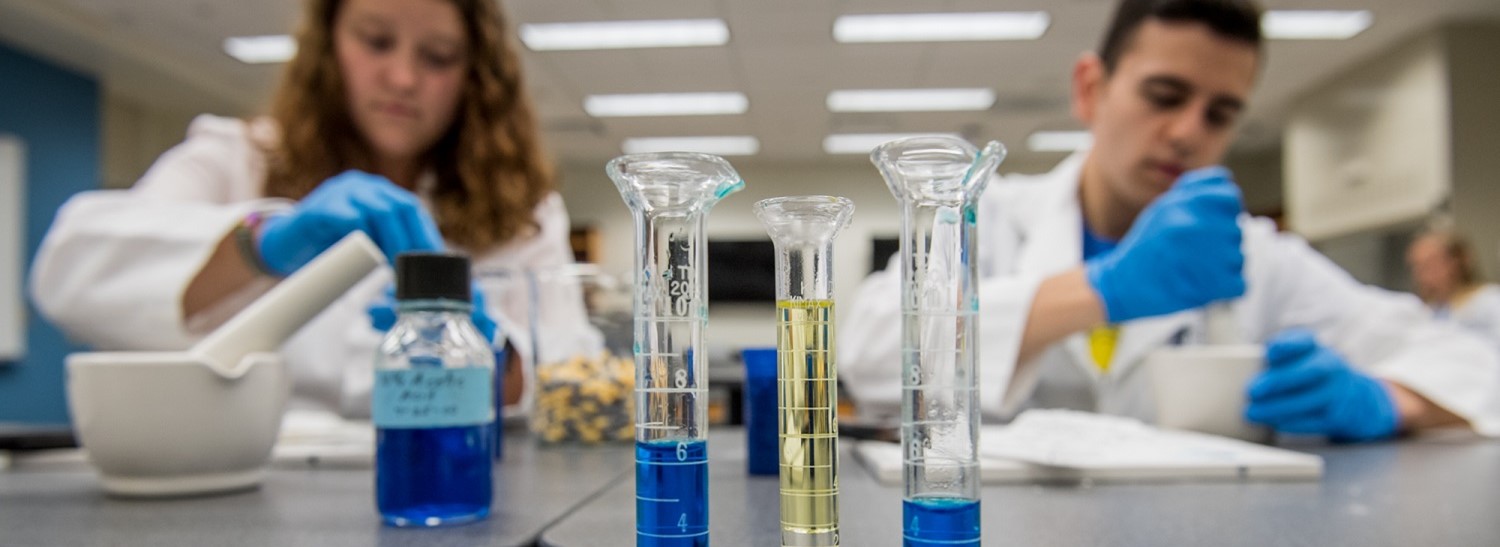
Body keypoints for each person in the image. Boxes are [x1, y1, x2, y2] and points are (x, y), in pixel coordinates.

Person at [841, 0, 1500, 441]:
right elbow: (867, 350)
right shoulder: (991, 216)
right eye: (1165, 96)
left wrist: (1386, 401)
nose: (1187, 133)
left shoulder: (1257, 258)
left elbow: (1473, 362)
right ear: (1091, 89)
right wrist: (1102, 288)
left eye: (1220, 113)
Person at [29, 0, 592, 419]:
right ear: (329, 49)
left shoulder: (522, 211)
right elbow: (70, 266)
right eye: (375, 41)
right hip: (249, 488)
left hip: (449, 479)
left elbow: (576, 375)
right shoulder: (238, 158)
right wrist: (265, 243)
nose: (402, 78)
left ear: (474, 76)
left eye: (438, 57)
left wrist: (494, 354)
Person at [1407, 227, 1500, 351]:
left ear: (1458, 261)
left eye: (1429, 263)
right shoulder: (1426, 312)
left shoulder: (1491, 301)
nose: (1421, 274)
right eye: (1417, 266)